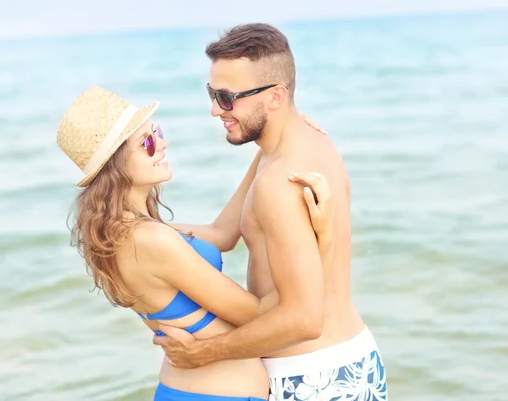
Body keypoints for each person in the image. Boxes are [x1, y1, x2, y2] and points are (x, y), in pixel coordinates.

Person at [154, 24, 388, 401]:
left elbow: (304, 319)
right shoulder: (299, 145)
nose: (215, 110)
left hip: (313, 379)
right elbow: (223, 233)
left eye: (228, 98)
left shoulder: (281, 181)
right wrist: (132, 228)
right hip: (345, 361)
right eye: (212, 93)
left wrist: (202, 354)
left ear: (276, 97)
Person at [56, 85, 333, 401]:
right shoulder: (152, 240)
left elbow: (223, 232)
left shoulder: (125, 234)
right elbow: (259, 315)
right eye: (146, 142)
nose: (161, 143)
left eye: (156, 132)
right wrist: (321, 241)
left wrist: (274, 145)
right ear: (115, 165)